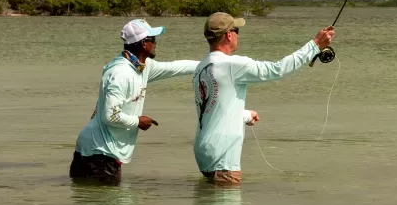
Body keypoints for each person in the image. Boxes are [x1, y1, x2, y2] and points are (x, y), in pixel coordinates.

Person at [192, 12, 334, 186]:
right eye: (236, 30)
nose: (238, 35)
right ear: (229, 35)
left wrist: (244, 115)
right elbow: (277, 70)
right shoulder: (232, 65)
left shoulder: (202, 66)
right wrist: (315, 45)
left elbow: (211, 109)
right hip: (223, 158)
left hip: (204, 153)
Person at [70, 18, 199, 185]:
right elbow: (110, 116)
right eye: (153, 39)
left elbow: (175, 67)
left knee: (94, 204)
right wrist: (138, 121)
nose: (155, 43)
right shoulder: (121, 73)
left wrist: (211, 63)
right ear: (144, 44)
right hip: (99, 153)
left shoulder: (142, 66)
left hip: (99, 150)